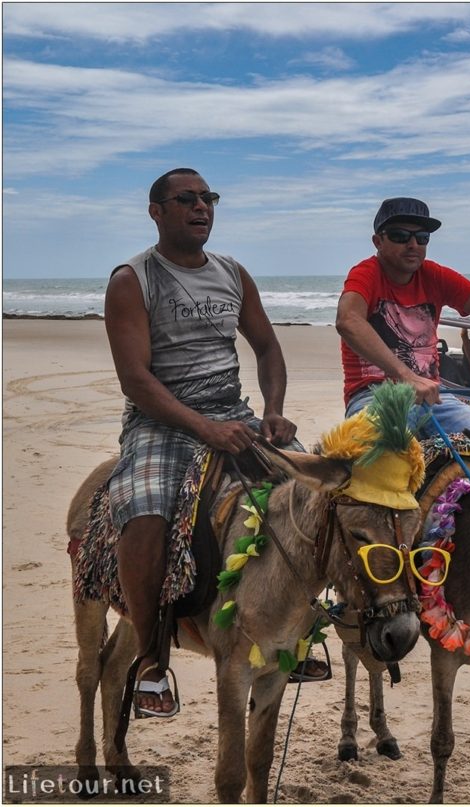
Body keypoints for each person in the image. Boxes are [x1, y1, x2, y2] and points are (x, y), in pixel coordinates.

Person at [104, 168, 318, 718]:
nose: (202, 207)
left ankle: (303, 629)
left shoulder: (232, 273)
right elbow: (136, 380)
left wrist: (272, 413)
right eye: (187, 199)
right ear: (157, 211)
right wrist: (204, 428)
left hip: (234, 413)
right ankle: (152, 659)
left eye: (209, 198)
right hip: (161, 423)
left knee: (317, 494)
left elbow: (268, 349)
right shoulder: (132, 279)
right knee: (144, 509)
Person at [336, 197, 470, 439]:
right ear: (378, 241)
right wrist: (407, 377)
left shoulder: (435, 275)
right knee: (379, 464)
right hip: (374, 395)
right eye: (400, 235)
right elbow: (348, 320)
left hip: (435, 395)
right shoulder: (366, 274)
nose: (413, 244)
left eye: (422, 237)